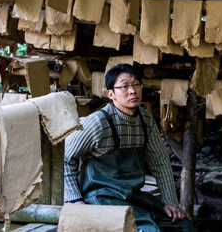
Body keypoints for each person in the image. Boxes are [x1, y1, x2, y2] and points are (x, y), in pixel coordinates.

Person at [64, 63, 196, 232]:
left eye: (136, 84)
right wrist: (75, 200)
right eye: (125, 86)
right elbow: (66, 158)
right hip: (102, 198)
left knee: (184, 227)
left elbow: (160, 163)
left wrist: (170, 201)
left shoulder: (146, 121)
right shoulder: (97, 123)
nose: (132, 91)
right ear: (111, 94)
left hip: (132, 196)